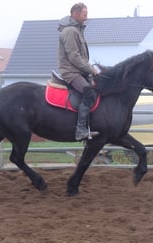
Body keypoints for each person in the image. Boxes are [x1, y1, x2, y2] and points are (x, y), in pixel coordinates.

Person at [57, 2, 99, 141]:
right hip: (71, 72)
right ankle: (81, 130)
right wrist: (91, 69)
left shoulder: (77, 30)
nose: (86, 17)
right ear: (75, 14)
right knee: (88, 92)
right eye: (84, 14)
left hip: (79, 71)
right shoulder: (70, 31)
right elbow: (74, 57)